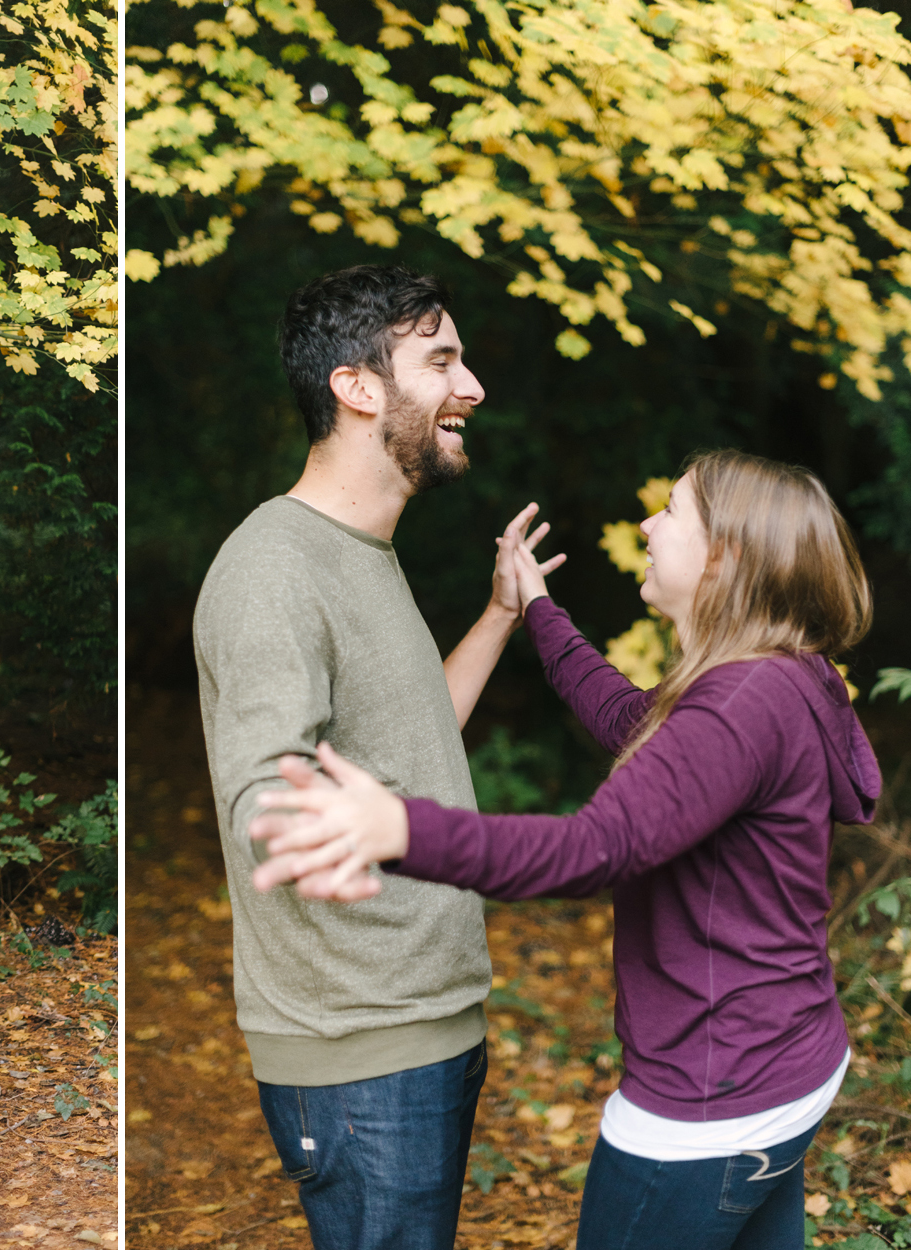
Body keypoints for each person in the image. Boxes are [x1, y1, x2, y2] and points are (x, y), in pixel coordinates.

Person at [249, 450, 879, 1250]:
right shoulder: (781, 677)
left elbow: (595, 848)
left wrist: (400, 828)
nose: (649, 525)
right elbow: (633, 723)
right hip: (787, 1061)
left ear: (726, 557)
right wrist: (533, 606)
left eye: (673, 512)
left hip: (710, 1099)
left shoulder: (740, 704)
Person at [193, 264, 563, 1250]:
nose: (472, 385)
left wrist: (497, 614)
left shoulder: (359, 549)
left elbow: (407, 737)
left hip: (424, 1021)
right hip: (359, 1048)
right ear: (358, 387)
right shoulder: (273, 568)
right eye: (441, 359)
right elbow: (265, 799)